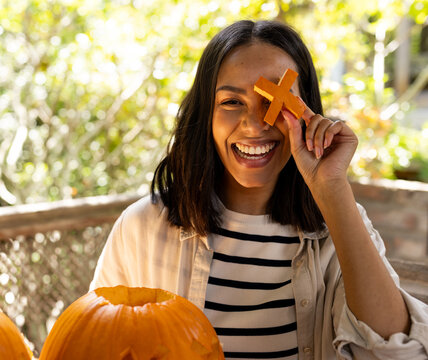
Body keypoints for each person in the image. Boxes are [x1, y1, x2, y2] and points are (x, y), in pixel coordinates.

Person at [90, 20, 428, 359]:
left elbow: (400, 353)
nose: (255, 124)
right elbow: (94, 341)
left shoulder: (338, 231)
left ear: (306, 112)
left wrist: (333, 187)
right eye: (231, 102)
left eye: (274, 102)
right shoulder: (140, 228)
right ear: (206, 114)